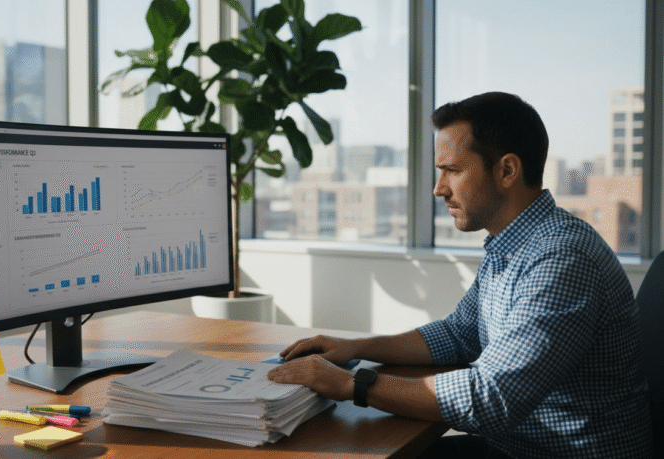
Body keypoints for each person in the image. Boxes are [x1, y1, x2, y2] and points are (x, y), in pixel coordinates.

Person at [267, 92, 654, 458]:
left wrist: (348, 385)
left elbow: (490, 399)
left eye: (451, 170)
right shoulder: (514, 243)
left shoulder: (561, 259)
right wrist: (356, 347)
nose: (438, 189)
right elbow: (459, 334)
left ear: (506, 170)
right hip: (517, 445)